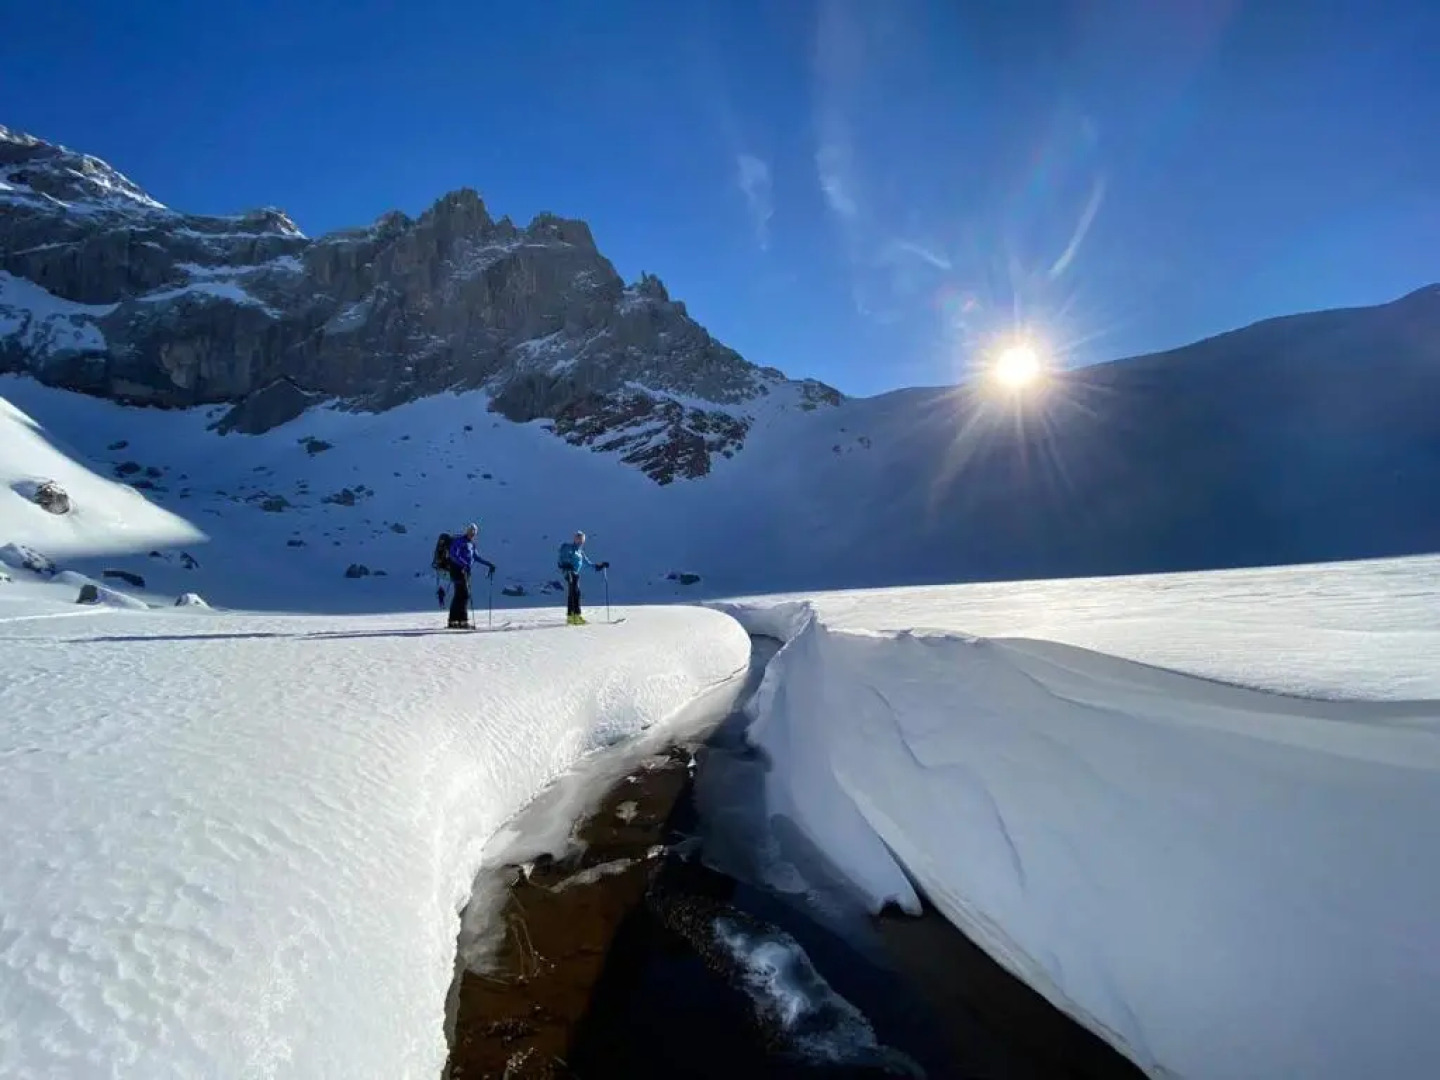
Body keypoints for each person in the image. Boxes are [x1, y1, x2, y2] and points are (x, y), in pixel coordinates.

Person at [446, 523, 495, 629]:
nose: (472, 534)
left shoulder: (471, 544)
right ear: (467, 531)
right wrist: (464, 564)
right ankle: (461, 621)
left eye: (474, 533)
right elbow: (453, 555)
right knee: (464, 594)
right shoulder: (459, 541)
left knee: (460, 595)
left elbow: (476, 557)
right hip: (457, 571)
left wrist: (489, 564)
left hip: (465, 571)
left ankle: (454, 621)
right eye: (471, 532)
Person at [556, 530, 608, 625]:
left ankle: (573, 616)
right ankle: (574, 616)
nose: (580, 542)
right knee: (575, 592)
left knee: (575, 593)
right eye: (578, 539)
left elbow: (587, 564)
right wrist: (565, 565)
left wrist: (599, 566)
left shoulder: (580, 553)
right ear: (575, 540)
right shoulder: (569, 548)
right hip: (569, 572)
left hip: (575, 573)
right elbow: (561, 558)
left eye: (582, 540)